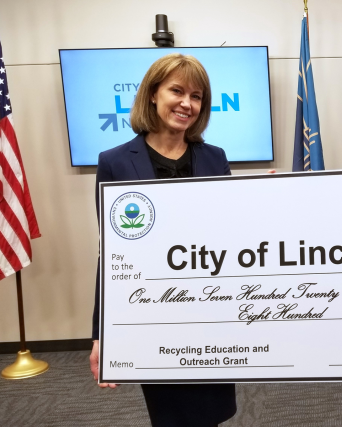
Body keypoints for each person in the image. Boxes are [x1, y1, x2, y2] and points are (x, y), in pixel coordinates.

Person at [88, 53, 237, 427]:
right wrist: (101, 333)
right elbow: (112, 254)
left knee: (212, 414)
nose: (187, 103)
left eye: (197, 96)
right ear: (153, 94)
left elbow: (235, 235)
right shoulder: (116, 162)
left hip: (211, 311)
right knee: (171, 418)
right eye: (177, 91)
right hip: (154, 315)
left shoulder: (215, 158)